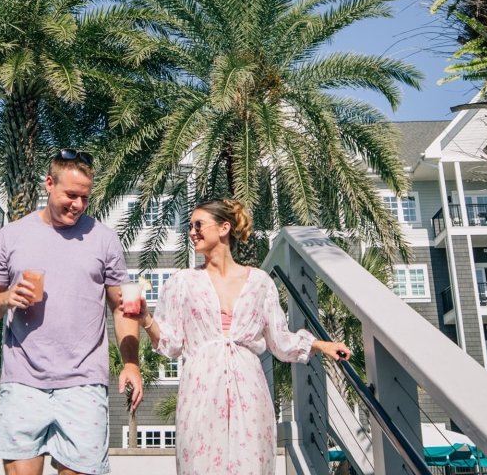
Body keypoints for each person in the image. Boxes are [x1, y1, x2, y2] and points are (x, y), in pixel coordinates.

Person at [131, 199, 352, 474]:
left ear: (224, 228)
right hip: (200, 391)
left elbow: (280, 342)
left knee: (251, 463)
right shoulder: (182, 282)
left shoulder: (260, 282)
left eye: (198, 224)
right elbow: (173, 343)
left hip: (249, 390)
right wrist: (146, 319)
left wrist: (321, 345)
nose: (191, 232)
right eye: (190, 226)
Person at [0, 150, 143, 475]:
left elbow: (122, 307)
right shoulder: (13, 235)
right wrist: (6, 298)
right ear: (49, 184)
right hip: (23, 382)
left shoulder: (104, 240)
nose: (78, 205)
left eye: (85, 197)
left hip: (83, 384)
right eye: (70, 195)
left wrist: (131, 363)